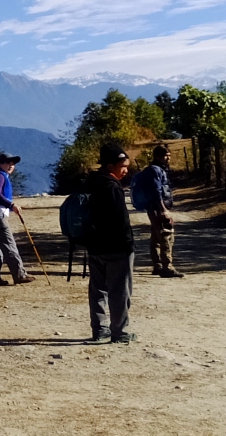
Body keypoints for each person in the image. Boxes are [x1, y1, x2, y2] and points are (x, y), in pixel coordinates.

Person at [84, 143, 137, 344]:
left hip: (94, 246)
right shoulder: (112, 187)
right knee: (119, 290)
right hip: (117, 248)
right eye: (123, 166)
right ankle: (119, 332)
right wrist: (128, 245)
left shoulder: (89, 184)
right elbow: (121, 220)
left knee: (97, 290)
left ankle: (99, 330)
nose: (126, 170)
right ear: (109, 166)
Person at [0, 153, 35, 285]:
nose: (11, 165)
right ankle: (19, 275)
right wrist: (11, 204)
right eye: (7, 162)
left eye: (13, 163)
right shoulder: (0, 176)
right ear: (0, 164)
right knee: (9, 245)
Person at [133, 145, 182, 278]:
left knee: (156, 236)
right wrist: (163, 210)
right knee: (166, 234)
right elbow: (156, 191)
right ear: (158, 156)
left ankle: (158, 265)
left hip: (154, 207)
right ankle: (167, 267)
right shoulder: (155, 170)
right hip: (157, 207)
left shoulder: (157, 170)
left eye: (169, 156)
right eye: (166, 156)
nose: (168, 159)